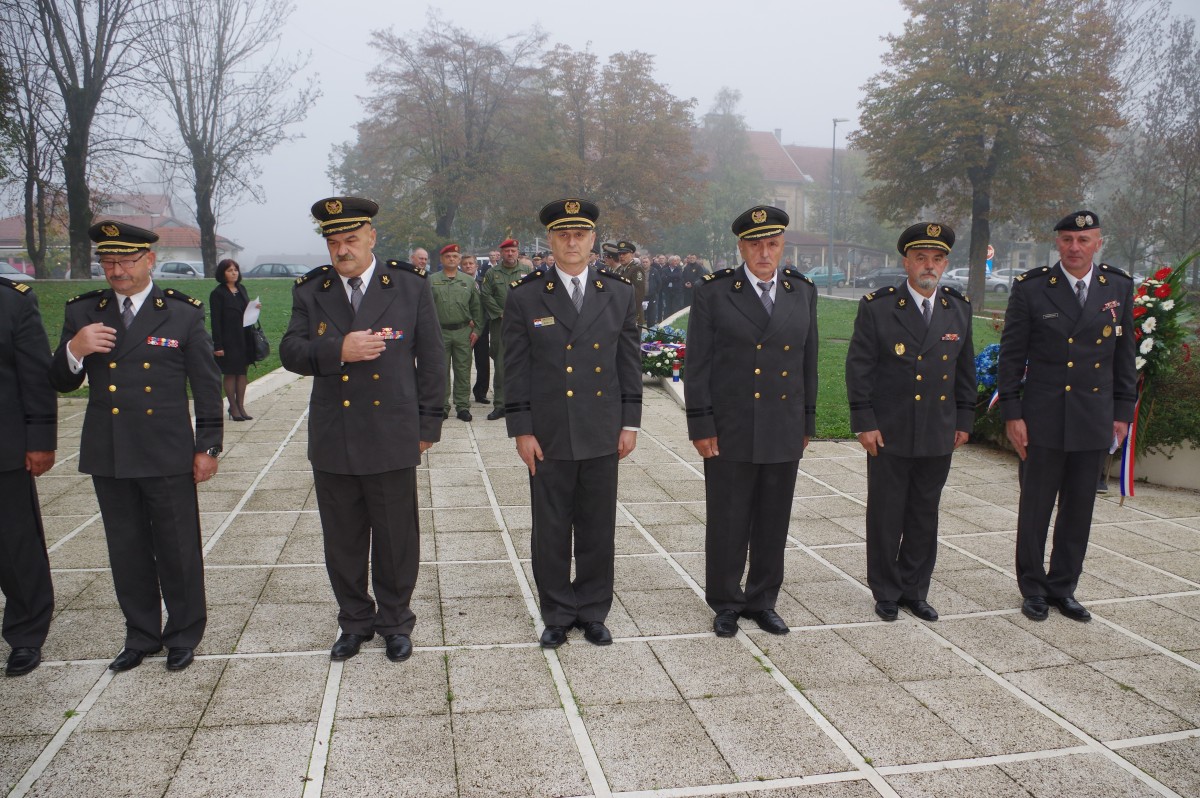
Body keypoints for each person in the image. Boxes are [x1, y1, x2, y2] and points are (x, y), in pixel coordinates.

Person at [49, 220, 222, 673]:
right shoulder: (85, 312)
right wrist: (75, 349)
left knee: (177, 547)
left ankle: (183, 633)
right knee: (126, 548)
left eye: (126, 260)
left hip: (166, 451)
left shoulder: (181, 313)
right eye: (108, 261)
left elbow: (207, 386)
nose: (117, 270)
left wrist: (208, 446)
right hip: (111, 450)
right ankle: (141, 634)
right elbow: (61, 381)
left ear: (149, 260)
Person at [280, 196, 445, 663]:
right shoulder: (311, 290)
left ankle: (395, 621)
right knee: (343, 539)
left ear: (372, 237)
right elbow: (290, 351)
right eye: (333, 242)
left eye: (351, 239)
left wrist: (428, 424)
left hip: (392, 430)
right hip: (335, 434)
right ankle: (354, 621)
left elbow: (433, 359)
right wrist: (337, 350)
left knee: (396, 537)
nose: (342, 250)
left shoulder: (408, 286)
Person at [502, 198, 641, 648]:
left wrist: (630, 423)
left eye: (580, 234)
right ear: (550, 239)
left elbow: (628, 362)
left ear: (593, 239)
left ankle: (594, 609)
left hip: (602, 426)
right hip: (549, 431)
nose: (572, 242)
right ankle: (559, 612)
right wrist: (521, 429)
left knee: (598, 526)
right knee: (551, 528)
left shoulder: (618, 292)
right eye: (563, 234)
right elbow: (515, 369)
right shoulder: (525, 295)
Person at [684, 205, 818, 637]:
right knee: (728, 519)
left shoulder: (802, 291)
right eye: (755, 244)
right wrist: (701, 425)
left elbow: (808, 361)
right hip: (731, 426)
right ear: (741, 247)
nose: (764, 253)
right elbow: (697, 365)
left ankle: (763, 600)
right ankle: (725, 601)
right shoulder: (715, 292)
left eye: (772, 244)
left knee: (773, 520)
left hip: (782, 424)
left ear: (782, 246)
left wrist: (806, 422)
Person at [998, 210, 1136, 623]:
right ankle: (1033, 588)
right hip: (1042, 418)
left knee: (1079, 510)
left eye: (1083, 240)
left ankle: (1063, 587)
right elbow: (1011, 356)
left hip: (1093, 417)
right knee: (1035, 508)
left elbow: (1124, 356)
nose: (1074, 247)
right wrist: (1012, 413)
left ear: (1098, 244)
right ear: (1057, 243)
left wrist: (1122, 412)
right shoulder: (1033, 288)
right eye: (1067, 240)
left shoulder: (1118, 286)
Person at [845, 223, 975, 622]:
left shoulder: (958, 308)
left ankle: (915, 589)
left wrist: (964, 419)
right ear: (906, 262)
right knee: (886, 514)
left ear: (945, 264)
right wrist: (864, 422)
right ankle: (886, 591)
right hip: (890, 429)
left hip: (937, 428)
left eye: (937, 259)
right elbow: (859, 368)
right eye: (921, 258)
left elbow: (965, 371)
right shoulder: (879, 307)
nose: (929, 265)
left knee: (924, 512)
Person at [0, 276, 57, 677]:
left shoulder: (12, 302)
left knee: (15, 545)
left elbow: (36, 376)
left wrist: (40, 440)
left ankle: (26, 632)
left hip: (4, 447)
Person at [480, 238, 532, 420]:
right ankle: (500, 404)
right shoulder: (492, 273)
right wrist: (499, 312)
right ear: (501, 253)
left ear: (518, 252)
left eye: (513, 251)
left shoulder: (527, 271)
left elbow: (533, 294)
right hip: (500, 324)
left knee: (525, 364)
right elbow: (485, 295)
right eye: (507, 251)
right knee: (501, 365)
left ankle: (522, 403)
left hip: (523, 325)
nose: (510, 254)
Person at [430, 243, 480, 421]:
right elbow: (426, 309)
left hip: (462, 332)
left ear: (459, 259)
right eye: (448, 256)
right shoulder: (431, 280)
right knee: (440, 371)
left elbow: (477, 308)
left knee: (463, 370)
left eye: (455, 256)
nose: (451, 259)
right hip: (440, 333)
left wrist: (478, 330)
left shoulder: (468, 281)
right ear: (441, 259)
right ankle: (442, 406)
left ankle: (462, 406)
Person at [209, 259, 260, 421]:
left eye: (236, 270)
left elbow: (245, 311)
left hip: (244, 337)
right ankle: (233, 407)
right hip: (228, 339)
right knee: (231, 372)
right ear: (222, 273)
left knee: (242, 372)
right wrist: (218, 345)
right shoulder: (218, 293)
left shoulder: (241, 289)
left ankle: (241, 406)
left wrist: (254, 308)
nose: (234, 273)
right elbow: (216, 321)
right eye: (230, 270)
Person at [462, 255, 491, 404]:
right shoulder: (458, 282)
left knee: (483, 362)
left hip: (483, 327)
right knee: (463, 363)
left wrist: (481, 323)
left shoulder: (483, 282)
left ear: (476, 266)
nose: (468, 266)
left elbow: (488, 303)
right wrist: (468, 319)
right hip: (464, 327)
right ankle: (462, 393)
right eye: (465, 264)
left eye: (471, 263)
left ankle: (481, 393)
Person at [612, 241, 646, 327]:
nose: (621, 256)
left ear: (632, 255)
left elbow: (639, 294)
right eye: (619, 254)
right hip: (621, 313)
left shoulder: (636, 270)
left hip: (631, 315)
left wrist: (632, 314)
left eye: (624, 253)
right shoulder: (620, 270)